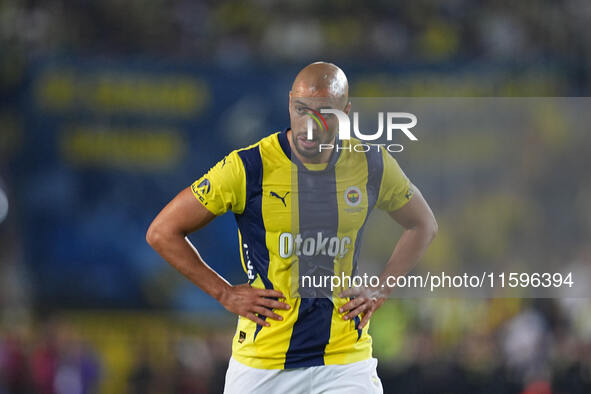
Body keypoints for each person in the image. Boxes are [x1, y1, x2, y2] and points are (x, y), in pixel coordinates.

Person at [147, 62, 437, 393]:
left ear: (346, 112)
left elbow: (423, 224)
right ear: (289, 104)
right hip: (264, 362)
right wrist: (224, 292)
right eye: (301, 109)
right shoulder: (248, 167)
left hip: (344, 359)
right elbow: (162, 231)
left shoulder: (372, 164)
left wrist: (382, 288)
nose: (309, 124)